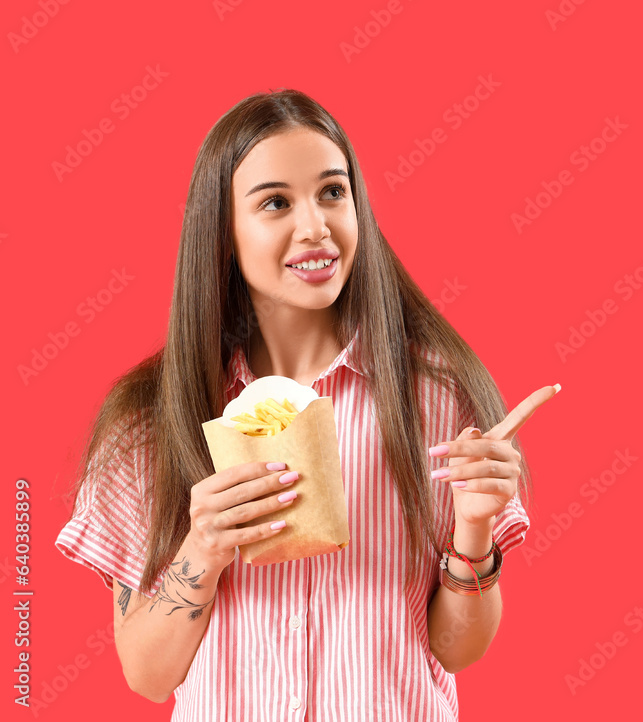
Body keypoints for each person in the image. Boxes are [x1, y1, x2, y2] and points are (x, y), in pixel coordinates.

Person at [55, 88, 548, 721]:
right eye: (276, 203)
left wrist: (474, 534)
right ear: (223, 232)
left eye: (333, 193)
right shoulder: (151, 421)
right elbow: (149, 676)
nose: (315, 225)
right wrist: (201, 549)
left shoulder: (436, 398)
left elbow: (456, 651)